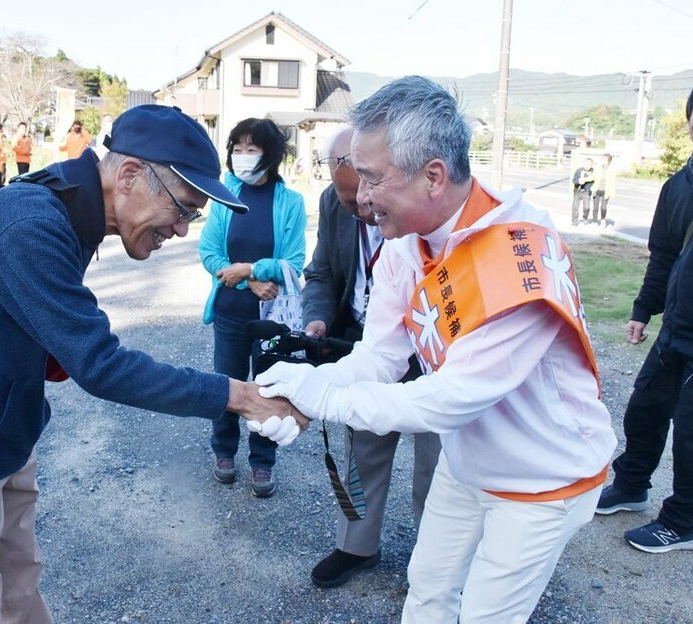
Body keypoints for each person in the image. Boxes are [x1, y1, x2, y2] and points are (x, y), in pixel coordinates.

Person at [0, 104, 301, 623]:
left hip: (4, 427)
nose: (183, 230)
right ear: (127, 175)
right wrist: (237, 395)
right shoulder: (30, 224)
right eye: (184, 209)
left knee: (19, 586)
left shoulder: (70, 204)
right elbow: (100, 364)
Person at [254, 76, 616, 623]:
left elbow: (446, 399)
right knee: (427, 589)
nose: (362, 195)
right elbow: (380, 358)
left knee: (487, 615)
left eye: (372, 177)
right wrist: (304, 393)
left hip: (541, 478)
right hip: (467, 461)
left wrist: (324, 400)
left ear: (433, 176)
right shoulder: (406, 242)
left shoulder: (519, 256)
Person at [595, 72, 693, 553]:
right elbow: (663, 255)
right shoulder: (679, 183)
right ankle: (631, 487)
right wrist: (643, 310)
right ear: (689, 119)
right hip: (676, 329)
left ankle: (683, 523)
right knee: (644, 410)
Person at [302, 128, 441, 588]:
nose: (363, 207)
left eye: (368, 192)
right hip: (363, 342)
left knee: (437, 464)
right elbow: (321, 270)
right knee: (362, 451)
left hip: (431, 351)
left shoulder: (427, 212)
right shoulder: (334, 201)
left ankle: (435, 559)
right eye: (350, 200)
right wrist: (318, 319)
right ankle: (355, 545)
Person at [199, 117, 306, 497]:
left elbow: (294, 262)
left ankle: (263, 460)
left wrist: (250, 267)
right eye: (236, 148)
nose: (241, 156)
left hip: (271, 318)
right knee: (225, 384)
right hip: (230, 311)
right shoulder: (226, 196)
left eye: (251, 148)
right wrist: (249, 280)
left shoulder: (291, 202)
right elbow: (209, 252)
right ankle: (223, 451)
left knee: (269, 387)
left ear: (270, 154)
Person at [591, 153, 616, 227]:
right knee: (595, 207)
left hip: (606, 191)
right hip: (597, 189)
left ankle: (603, 219)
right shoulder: (598, 168)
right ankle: (594, 220)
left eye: (605, 159)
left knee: (603, 207)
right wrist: (584, 179)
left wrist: (612, 193)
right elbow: (593, 177)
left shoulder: (611, 170)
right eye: (603, 159)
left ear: (609, 161)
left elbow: (612, 182)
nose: (603, 161)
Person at [571, 157, 595, 226]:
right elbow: (574, 180)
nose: (587, 166)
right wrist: (579, 181)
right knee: (575, 206)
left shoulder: (593, 172)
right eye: (586, 164)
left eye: (589, 164)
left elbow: (595, 180)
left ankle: (585, 218)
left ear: (591, 165)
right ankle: (574, 220)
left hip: (586, 191)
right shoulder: (579, 171)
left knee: (587, 207)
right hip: (578, 190)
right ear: (584, 164)